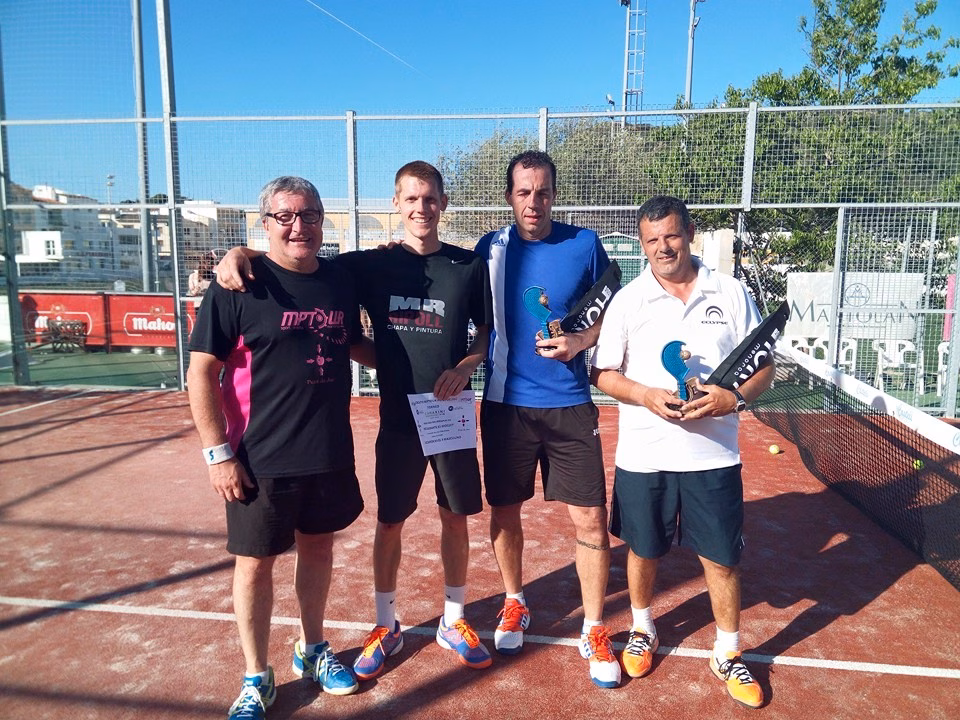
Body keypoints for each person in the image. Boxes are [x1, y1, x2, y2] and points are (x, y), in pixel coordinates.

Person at [216, 161, 494, 678]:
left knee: (455, 517)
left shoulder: (467, 266)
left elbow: (484, 335)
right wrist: (242, 252)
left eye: (430, 199)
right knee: (391, 521)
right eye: (410, 200)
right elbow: (298, 259)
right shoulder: (367, 265)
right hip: (397, 418)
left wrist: (464, 367)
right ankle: (386, 623)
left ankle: (453, 618)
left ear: (444, 203)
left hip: (448, 413)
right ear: (396, 204)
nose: (421, 209)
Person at [187, 176, 369, 720]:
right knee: (254, 566)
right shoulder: (238, 285)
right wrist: (217, 453)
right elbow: (200, 374)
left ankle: (312, 649)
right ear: (264, 223)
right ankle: (255, 676)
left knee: (318, 551)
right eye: (285, 216)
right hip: (257, 458)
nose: (299, 226)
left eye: (310, 215)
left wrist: (421, 365)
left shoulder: (339, 280)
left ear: (322, 221)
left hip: (328, 451)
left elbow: (353, 342)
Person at [590, 195, 775, 709]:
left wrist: (731, 398)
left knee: (720, 557)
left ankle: (728, 651)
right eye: (651, 241)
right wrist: (647, 395)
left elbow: (764, 368)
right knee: (643, 549)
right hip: (644, 455)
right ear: (642, 244)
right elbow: (603, 373)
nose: (662, 248)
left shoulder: (731, 292)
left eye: (670, 236)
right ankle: (644, 628)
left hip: (713, 457)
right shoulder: (628, 299)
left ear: (689, 232)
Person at [473, 150, 620, 688]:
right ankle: (514, 601)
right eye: (523, 192)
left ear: (555, 194)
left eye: (542, 191)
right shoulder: (490, 248)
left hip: (571, 407)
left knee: (589, 521)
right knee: (505, 510)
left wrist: (580, 340)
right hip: (506, 407)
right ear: (509, 196)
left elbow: (613, 312)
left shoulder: (584, 244)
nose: (533, 201)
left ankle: (596, 626)